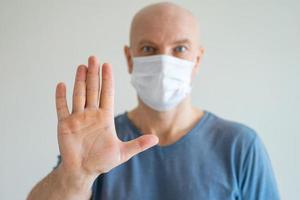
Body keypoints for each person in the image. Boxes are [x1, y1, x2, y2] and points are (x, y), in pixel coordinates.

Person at [27, 2, 280, 200]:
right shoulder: (99, 141)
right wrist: (77, 175)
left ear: (197, 60)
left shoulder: (240, 146)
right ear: (129, 58)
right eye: (148, 49)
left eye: (180, 48)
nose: (164, 61)